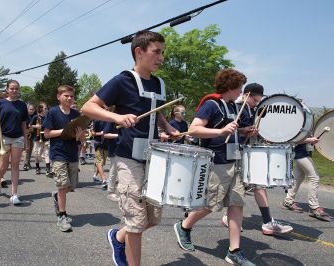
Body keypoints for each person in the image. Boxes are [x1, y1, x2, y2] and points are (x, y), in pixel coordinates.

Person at [82, 30, 179, 266]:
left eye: (163, 53)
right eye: (157, 52)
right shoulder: (122, 80)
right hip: (128, 158)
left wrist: (168, 127)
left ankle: (117, 237)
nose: (161, 57)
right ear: (139, 52)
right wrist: (116, 117)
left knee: (152, 218)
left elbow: (158, 111)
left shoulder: (159, 83)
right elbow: (88, 107)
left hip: (154, 157)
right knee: (136, 220)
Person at [173, 68, 256, 265]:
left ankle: (234, 251)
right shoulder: (212, 105)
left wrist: (245, 131)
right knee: (212, 204)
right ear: (230, 86)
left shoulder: (234, 107)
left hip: (234, 161)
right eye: (239, 87)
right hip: (217, 162)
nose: (241, 92)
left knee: (236, 204)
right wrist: (221, 131)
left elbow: (233, 131)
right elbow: (194, 129)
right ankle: (184, 226)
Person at [220, 83, 293, 235]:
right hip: (235, 151)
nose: (257, 103)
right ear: (247, 95)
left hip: (249, 152)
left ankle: (266, 221)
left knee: (257, 185)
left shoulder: (252, 109)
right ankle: (230, 217)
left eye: (259, 100)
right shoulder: (236, 107)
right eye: (255, 100)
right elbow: (229, 131)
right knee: (236, 186)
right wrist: (244, 132)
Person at [43, 85, 86, 232]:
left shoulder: (76, 113)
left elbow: (83, 136)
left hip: (73, 153)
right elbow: (46, 134)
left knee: (71, 186)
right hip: (58, 153)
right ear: (59, 97)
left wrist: (80, 135)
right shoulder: (52, 113)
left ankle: (57, 196)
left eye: (71, 96)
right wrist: (64, 130)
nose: (69, 98)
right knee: (62, 185)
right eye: (66, 96)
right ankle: (62, 216)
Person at [0, 80, 29, 205]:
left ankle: (15, 194)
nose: (14, 90)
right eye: (12, 88)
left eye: (16, 88)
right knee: (3, 166)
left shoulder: (22, 105)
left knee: (15, 164)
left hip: (18, 137)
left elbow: (24, 124)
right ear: (7, 89)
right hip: (3, 137)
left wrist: (25, 140)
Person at [283, 138, 331, 222]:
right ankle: (314, 207)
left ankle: (288, 201)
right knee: (314, 178)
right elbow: (294, 139)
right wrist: (310, 140)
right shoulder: (299, 125)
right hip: (301, 154)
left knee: (299, 178)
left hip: (303, 153)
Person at [30, 102, 51, 176]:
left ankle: (48, 169)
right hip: (37, 137)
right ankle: (37, 167)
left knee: (47, 153)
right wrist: (36, 126)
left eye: (46, 108)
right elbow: (30, 125)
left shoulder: (49, 117)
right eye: (44, 108)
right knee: (37, 154)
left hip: (46, 137)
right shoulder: (36, 117)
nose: (46, 109)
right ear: (40, 109)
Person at [103, 121, 119, 201]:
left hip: (126, 150)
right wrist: (119, 135)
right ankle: (111, 192)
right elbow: (105, 134)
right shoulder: (112, 120)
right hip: (114, 150)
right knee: (113, 171)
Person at [92, 117, 108, 189]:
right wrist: (100, 133)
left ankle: (95, 175)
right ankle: (104, 180)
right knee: (100, 162)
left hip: (106, 144)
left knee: (102, 163)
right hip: (98, 143)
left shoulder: (110, 119)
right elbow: (92, 133)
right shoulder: (97, 120)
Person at [23, 104, 36, 171]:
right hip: (26, 134)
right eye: (30, 109)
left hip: (33, 134)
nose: (31, 111)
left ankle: (28, 162)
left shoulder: (35, 116)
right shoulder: (25, 116)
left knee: (31, 149)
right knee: (27, 149)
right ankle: (25, 163)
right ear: (27, 110)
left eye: (33, 109)